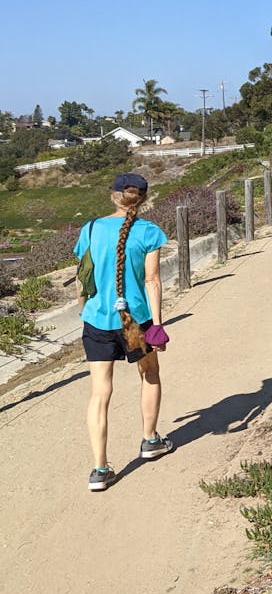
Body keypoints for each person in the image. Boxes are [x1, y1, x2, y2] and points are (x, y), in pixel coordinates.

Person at [74, 172, 174, 490]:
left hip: (97, 320)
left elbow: (83, 276)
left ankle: (100, 470)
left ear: (113, 195)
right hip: (136, 321)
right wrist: (157, 325)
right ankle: (149, 440)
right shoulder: (149, 232)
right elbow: (152, 281)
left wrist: (84, 309)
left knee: (100, 393)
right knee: (150, 374)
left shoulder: (90, 229)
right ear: (142, 198)